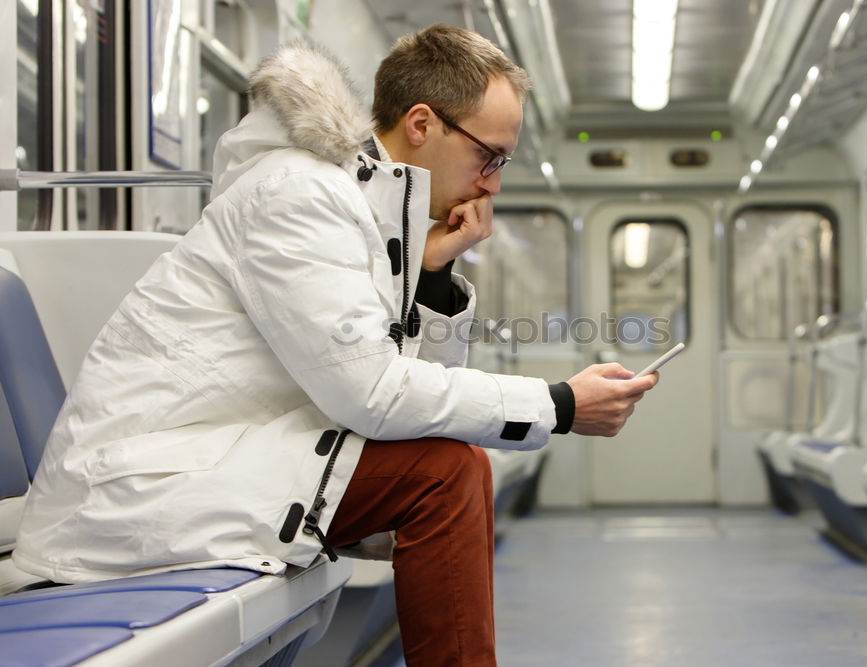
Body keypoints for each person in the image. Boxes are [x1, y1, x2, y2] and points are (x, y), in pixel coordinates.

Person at [14, 24, 657, 665]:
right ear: (423, 124)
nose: (491, 184)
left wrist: (431, 275)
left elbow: (405, 406)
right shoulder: (301, 196)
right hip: (139, 487)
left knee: (447, 465)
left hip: (218, 458)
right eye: (489, 156)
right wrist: (559, 405)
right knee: (446, 474)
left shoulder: (368, 216)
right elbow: (372, 395)